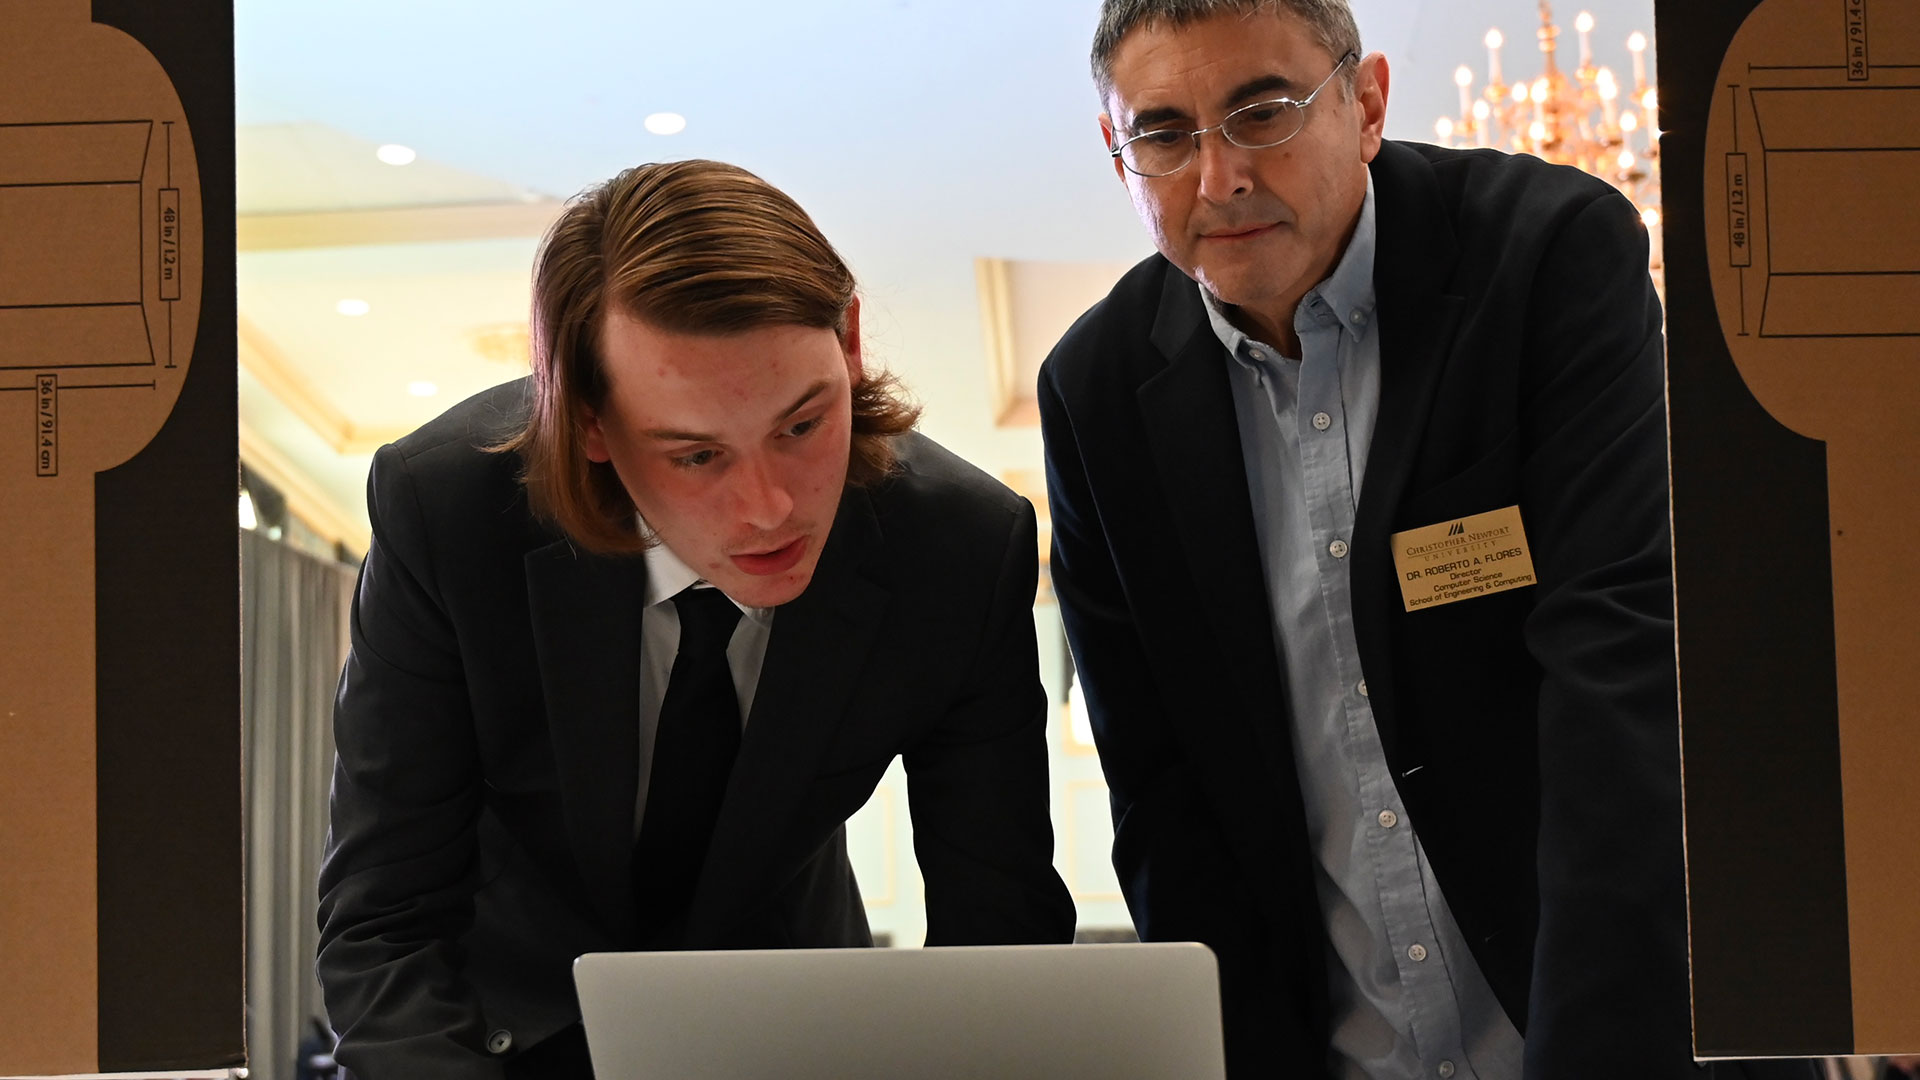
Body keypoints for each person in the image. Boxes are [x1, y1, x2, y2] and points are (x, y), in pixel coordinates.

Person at [1039, 2, 1822, 1078]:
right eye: (1166, 133)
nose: (1217, 178)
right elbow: (1163, 800)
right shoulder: (1096, 392)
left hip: (1623, 1023)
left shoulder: (1546, 254)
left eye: (1262, 111)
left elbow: (1620, 677)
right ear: (1116, 151)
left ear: (1365, 104)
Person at [318, 159, 1075, 1079]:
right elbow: (386, 922)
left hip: (795, 1023)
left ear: (850, 343)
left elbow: (998, 933)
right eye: (696, 456)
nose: (770, 509)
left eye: (802, 427)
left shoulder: (958, 548)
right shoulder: (450, 512)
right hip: (497, 1030)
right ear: (592, 424)